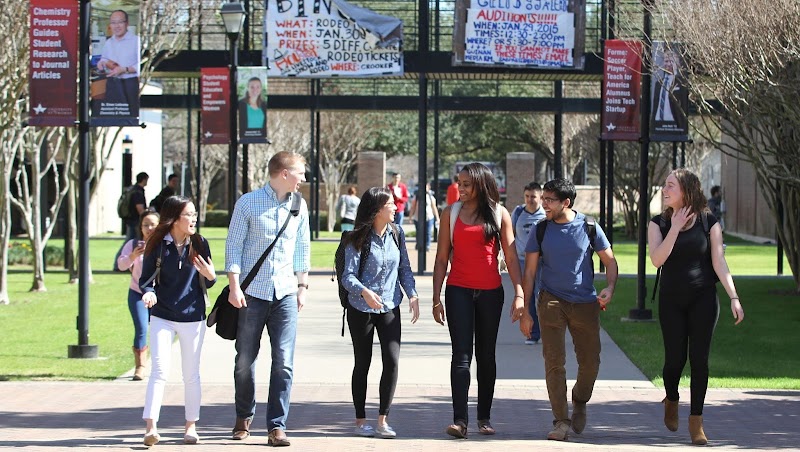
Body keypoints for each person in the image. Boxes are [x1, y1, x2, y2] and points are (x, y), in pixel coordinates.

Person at [514, 178, 618, 442]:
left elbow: (609, 260)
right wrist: (525, 310)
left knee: (590, 362)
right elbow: (530, 273)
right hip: (551, 302)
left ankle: (580, 400)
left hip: (585, 303)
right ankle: (561, 420)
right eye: (544, 199)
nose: (544, 205)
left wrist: (610, 287)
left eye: (549, 201)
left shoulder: (589, 226)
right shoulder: (541, 230)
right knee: (554, 363)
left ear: (566, 202)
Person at [648, 169, 744, 445]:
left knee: (700, 361)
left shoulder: (708, 221)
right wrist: (675, 228)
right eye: (664, 186)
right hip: (671, 300)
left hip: (703, 298)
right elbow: (657, 260)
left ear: (687, 190)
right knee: (674, 361)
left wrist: (733, 297)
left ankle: (696, 423)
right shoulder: (658, 224)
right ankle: (671, 398)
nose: (664, 190)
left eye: (670, 186)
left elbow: (719, 262)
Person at [432, 162, 525, 439]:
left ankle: (484, 417)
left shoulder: (499, 214)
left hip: (490, 293)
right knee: (461, 356)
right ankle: (460, 420)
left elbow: (510, 258)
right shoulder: (451, 213)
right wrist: (436, 297)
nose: (459, 188)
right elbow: (440, 259)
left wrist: (519, 294)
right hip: (458, 289)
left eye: (466, 184)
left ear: (481, 185)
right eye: (458, 183)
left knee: (486, 356)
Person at [225, 151, 310, 447]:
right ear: (284, 173)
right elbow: (233, 246)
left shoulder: (299, 205)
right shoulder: (247, 203)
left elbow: (302, 247)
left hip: (285, 293)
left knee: (284, 362)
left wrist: (302, 286)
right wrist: (234, 286)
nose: (303, 178)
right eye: (300, 172)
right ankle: (243, 417)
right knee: (245, 361)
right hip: (251, 294)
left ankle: (277, 425)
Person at [341, 187, 420, 438]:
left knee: (392, 360)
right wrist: (364, 291)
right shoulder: (357, 238)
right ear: (376, 210)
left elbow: (405, 269)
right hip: (360, 308)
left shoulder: (397, 234)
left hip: (389, 305)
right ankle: (360, 420)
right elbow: (348, 276)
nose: (396, 207)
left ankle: (383, 420)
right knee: (362, 362)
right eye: (390, 204)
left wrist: (413, 294)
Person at [139, 196, 216, 446]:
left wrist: (211, 275)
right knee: (159, 371)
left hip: (192, 316)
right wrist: (149, 292)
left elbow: (210, 278)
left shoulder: (200, 243)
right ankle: (151, 427)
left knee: (191, 374)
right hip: (162, 315)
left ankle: (191, 427)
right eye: (188, 215)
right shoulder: (158, 244)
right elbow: (146, 280)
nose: (194, 219)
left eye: (195, 214)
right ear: (174, 218)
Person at [117, 210, 159, 381]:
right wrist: (133, 256)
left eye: (153, 225)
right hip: (137, 293)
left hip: (159, 295)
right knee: (142, 328)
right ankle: (140, 366)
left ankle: (158, 366)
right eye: (145, 225)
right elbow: (121, 265)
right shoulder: (133, 244)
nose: (149, 228)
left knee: (159, 330)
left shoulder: (164, 244)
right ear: (140, 227)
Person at [510, 181, 545, 345]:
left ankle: (548, 331)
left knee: (543, 296)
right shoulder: (517, 213)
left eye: (534, 197)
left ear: (541, 197)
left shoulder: (546, 215)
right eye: (527, 196)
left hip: (542, 262)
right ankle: (532, 334)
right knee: (527, 297)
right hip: (523, 261)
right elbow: (510, 236)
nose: (530, 200)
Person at [94, 10, 139, 117]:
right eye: (113, 23)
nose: (116, 26)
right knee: (110, 115)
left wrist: (125, 69)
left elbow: (140, 65)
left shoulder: (136, 41)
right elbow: (104, 58)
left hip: (129, 83)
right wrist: (102, 63)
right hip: (112, 83)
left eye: (120, 22)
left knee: (130, 115)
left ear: (126, 23)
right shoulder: (109, 43)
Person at [114, 172, 149, 271]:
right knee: (129, 243)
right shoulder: (138, 191)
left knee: (129, 242)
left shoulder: (132, 189)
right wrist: (147, 215)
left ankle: (120, 264)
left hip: (131, 220)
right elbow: (140, 209)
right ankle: (118, 264)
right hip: (135, 221)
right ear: (144, 179)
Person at [651, 48, 688, 134]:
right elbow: (656, 104)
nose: (668, 64)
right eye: (666, 61)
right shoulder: (659, 83)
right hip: (658, 123)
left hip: (673, 122)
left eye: (671, 61)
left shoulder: (681, 82)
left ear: (677, 64)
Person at [410, 182, 440, 251]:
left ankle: (427, 245)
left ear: (428, 187)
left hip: (429, 217)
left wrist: (437, 218)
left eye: (426, 186)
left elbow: (434, 207)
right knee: (419, 232)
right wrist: (410, 217)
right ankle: (419, 244)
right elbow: (413, 207)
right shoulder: (417, 195)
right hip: (418, 217)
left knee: (428, 232)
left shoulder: (430, 196)